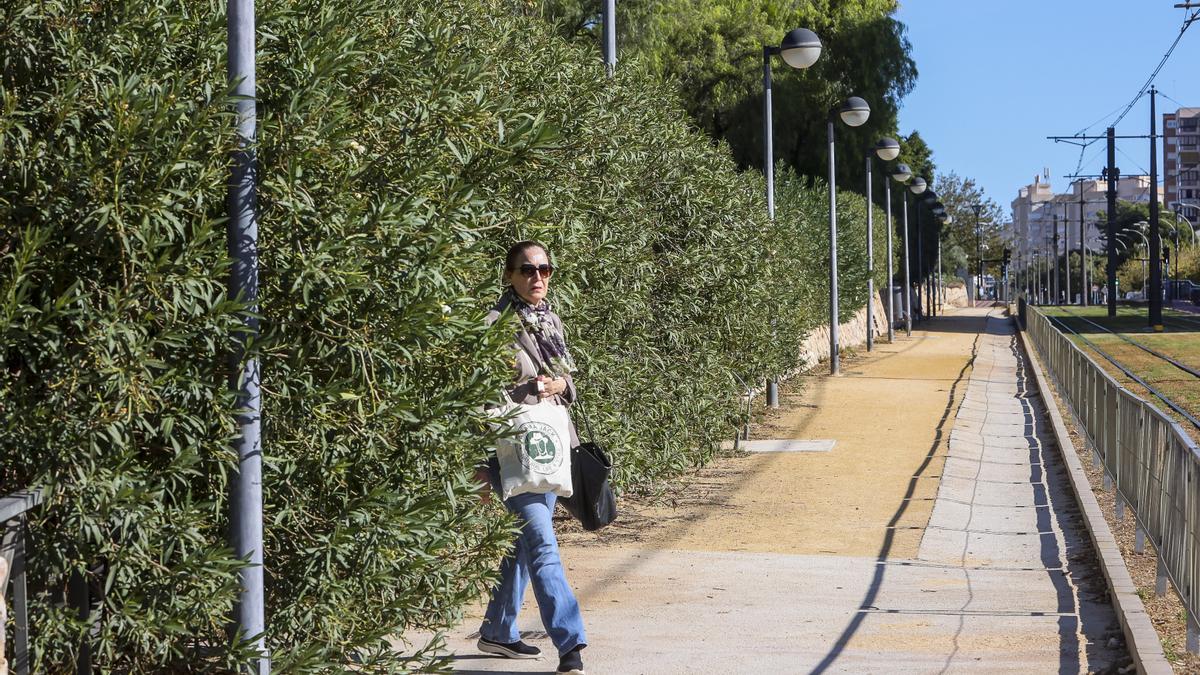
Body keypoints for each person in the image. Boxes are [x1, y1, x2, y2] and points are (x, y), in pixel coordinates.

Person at [474, 240, 587, 675]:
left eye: (544, 269)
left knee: (524, 546)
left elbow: (572, 386)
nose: (537, 277)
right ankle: (571, 644)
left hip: (550, 449)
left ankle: (497, 632)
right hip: (512, 451)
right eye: (526, 270)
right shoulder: (493, 325)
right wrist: (480, 463)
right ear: (509, 275)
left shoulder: (551, 321)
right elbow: (477, 396)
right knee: (542, 545)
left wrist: (559, 386)